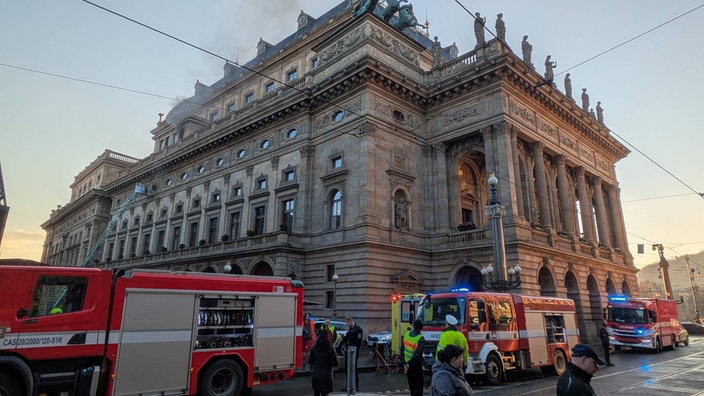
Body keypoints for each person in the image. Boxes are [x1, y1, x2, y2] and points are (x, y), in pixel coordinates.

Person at [308, 329, 339, 396]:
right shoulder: (330, 348)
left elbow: (310, 361)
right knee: (325, 393)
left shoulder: (314, 348)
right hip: (326, 376)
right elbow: (335, 363)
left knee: (316, 393)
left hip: (316, 376)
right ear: (327, 336)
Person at [402, 319, 426, 396]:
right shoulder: (420, 338)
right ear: (420, 328)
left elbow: (402, 349)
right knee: (418, 388)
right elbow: (417, 355)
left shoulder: (407, 334)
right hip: (415, 366)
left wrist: (405, 363)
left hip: (407, 365)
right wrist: (409, 364)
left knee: (412, 387)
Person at [339, 317, 363, 392]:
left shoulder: (358, 330)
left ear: (351, 321)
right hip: (348, 351)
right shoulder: (350, 329)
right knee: (347, 369)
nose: (347, 325)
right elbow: (347, 339)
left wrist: (353, 347)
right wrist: (343, 337)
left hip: (354, 352)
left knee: (353, 369)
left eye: (347, 323)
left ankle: (356, 386)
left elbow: (358, 342)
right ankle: (348, 386)